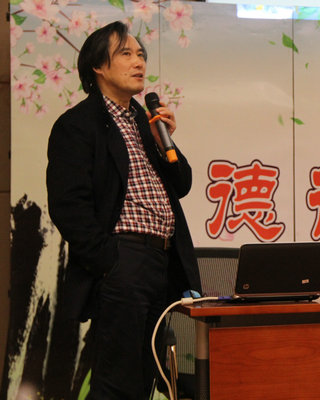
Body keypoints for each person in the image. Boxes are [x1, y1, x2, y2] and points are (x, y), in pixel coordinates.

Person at [46, 21, 201, 399]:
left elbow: (181, 184)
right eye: (126, 54)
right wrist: (110, 261)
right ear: (98, 66)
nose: (139, 62)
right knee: (117, 383)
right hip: (123, 262)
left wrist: (166, 141)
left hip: (161, 263)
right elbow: (68, 206)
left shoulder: (146, 124)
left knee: (145, 378)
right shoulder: (78, 125)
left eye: (141, 54)